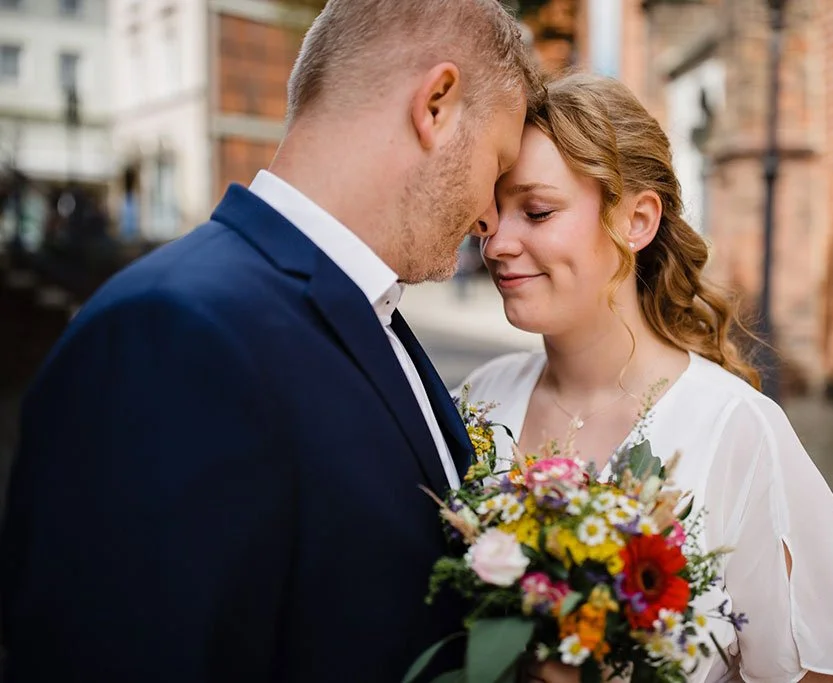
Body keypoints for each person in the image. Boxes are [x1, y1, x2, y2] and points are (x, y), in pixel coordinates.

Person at [0, 1, 540, 681]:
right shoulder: (171, 334)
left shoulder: (370, 313)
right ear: (436, 104)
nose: (489, 216)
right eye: (496, 163)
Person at [460, 74, 833, 683]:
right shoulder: (478, 398)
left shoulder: (736, 430)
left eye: (536, 211)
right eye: (489, 215)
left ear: (637, 220)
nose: (497, 245)